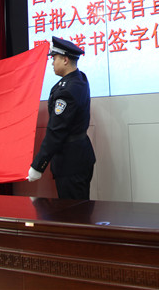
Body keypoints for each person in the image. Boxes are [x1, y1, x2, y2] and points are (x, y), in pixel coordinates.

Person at [27, 36, 96, 199]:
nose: (52, 63)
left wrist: (38, 166)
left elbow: (56, 131)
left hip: (70, 162)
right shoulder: (79, 78)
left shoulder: (67, 91)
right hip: (78, 156)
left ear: (65, 60)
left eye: (54, 58)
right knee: (78, 208)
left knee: (73, 211)